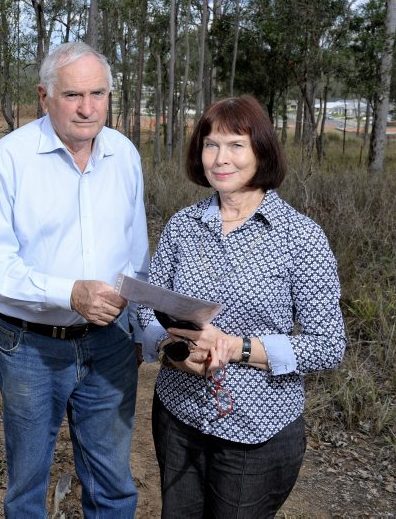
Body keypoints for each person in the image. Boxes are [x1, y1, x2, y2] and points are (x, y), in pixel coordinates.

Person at [137, 95, 346, 518]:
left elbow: (328, 345)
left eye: (236, 145)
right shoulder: (183, 226)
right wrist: (171, 350)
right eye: (211, 144)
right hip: (179, 417)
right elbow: (149, 307)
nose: (220, 158)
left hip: (257, 431)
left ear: (261, 151)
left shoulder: (300, 238)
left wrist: (237, 348)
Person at [0, 41, 150, 518]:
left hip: (110, 343)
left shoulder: (125, 156)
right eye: (72, 95)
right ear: (44, 96)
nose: (87, 108)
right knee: (27, 484)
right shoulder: (9, 159)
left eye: (98, 93)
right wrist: (68, 292)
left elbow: (136, 252)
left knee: (112, 483)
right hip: (31, 348)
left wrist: (135, 326)